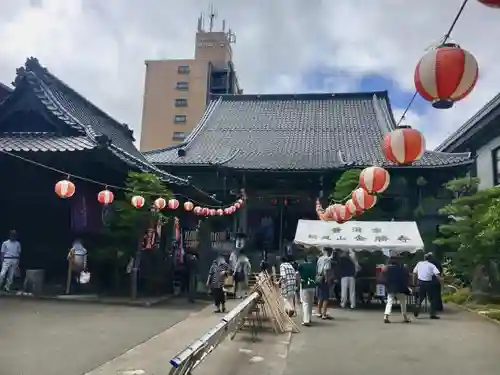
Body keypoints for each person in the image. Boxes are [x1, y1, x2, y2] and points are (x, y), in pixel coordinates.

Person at [383, 256, 411, 323]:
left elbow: (384, 274)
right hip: (400, 287)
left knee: (389, 302)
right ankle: (405, 317)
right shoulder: (402, 268)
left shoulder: (387, 268)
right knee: (403, 302)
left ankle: (386, 316)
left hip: (391, 287)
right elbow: (407, 276)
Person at [413, 252, 441, 319]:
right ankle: (432, 314)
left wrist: (414, 283)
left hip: (420, 283)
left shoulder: (419, 264)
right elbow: (437, 275)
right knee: (432, 299)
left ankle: (417, 308)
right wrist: (441, 281)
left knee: (420, 298)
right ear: (431, 258)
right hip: (429, 283)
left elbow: (414, 273)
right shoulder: (432, 265)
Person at [316, 247, 334, 320]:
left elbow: (317, 268)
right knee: (326, 297)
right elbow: (326, 270)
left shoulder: (320, 259)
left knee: (320, 296)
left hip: (319, 278)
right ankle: (324, 314)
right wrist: (327, 279)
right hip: (324, 279)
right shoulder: (327, 259)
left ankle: (318, 312)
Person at [298, 255, 316, 326]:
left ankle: (306, 320)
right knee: (310, 303)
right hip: (313, 285)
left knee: (305, 303)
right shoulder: (314, 266)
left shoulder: (302, 266)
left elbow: (297, 274)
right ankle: (309, 318)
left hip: (305, 285)